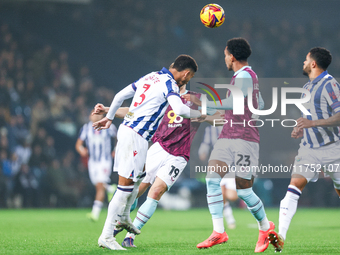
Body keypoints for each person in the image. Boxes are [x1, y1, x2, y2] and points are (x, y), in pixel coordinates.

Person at [93, 55, 203, 250]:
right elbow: (179, 109)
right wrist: (201, 115)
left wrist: (109, 117)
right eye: (190, 76)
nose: (188, 80)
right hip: (136, 135)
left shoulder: (151, 77)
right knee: (124, 188)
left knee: (137, 181)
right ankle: (107, 236)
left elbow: (119, 96)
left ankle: (125, 216)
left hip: (132, 133)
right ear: (186, 73)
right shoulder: (170, 84)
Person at [187, 38, 273, 252]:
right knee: (212, 179)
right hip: (227, 136)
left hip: (244, 139)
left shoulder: (244, 75)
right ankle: (219, 232)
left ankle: (265, 227)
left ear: (232, 56)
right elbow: (260, 104)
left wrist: (205, 102)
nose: (224, 58)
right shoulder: (246, 76)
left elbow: (235, 103)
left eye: (225, 54)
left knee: (244, 191)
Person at [268, 47, 340, 252]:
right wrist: (300, 129)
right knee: (294, 186)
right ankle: (280, 237)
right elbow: (310, 119)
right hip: (309, 149)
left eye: (306, 60)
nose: (303, 62)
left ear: (314, 64)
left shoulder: (330, 85)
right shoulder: (308, 87)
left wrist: (313, 124)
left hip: (334, 149)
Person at [75, 111, 117, 221]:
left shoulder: (109, 127)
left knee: (99, 185)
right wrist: (82, 150)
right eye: (94, 114)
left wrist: (115, 150)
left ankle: (95, 213)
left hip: (105, 160)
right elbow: (78, 144)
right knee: (98, 184)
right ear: (90, 116)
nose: (96, 116)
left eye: (98, 114)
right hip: (92, 161)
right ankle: (109, 188)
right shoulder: (86, 128)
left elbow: (118, 138)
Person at [198, 125, 238, 229]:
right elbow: (206, 143)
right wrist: (203, 151)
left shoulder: (233, 125)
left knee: (232, 196)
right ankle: (230, 220)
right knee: (221, 195)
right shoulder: (210, 128)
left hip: (231, 166)